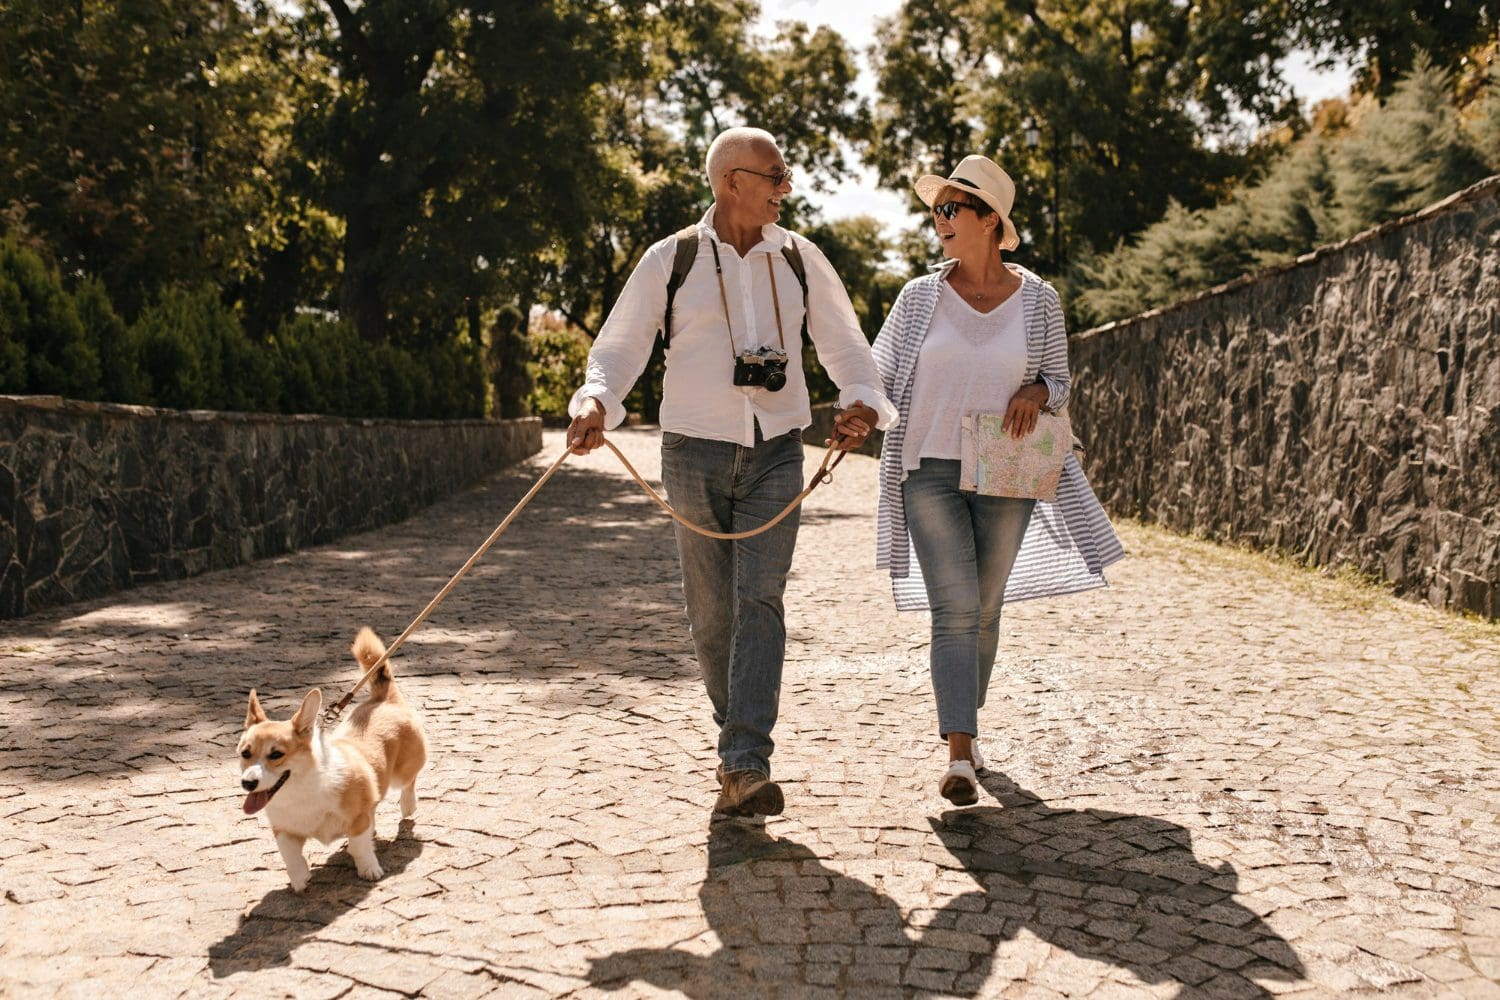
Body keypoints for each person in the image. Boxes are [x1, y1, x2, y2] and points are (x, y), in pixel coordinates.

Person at [567, 126, 898, 818]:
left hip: (779, 446)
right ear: (732, 182)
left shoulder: (802, 259)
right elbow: (621, 344)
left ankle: (746, 759)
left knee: (761, 601)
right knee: (713, 616)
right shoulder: (674, 258)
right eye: (775, 175)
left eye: (784, 175)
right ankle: (736, 747)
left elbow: (844, 343)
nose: (786, 187)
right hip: (693, 450)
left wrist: (861, 405)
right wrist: (596, 400)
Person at [870, 154, 1124, 807]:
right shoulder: (918, 296)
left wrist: (1039, 389)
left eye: (952, 209)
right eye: (936, 210)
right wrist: (853, 413)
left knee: (983, 608)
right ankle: (958, 755)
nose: (940, 220)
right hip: (927, 466)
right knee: (955, 608)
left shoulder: (1039, 299)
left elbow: (1062, 384)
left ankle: (967, 727)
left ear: (990, 220)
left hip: (1007, 466)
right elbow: (876, 370)